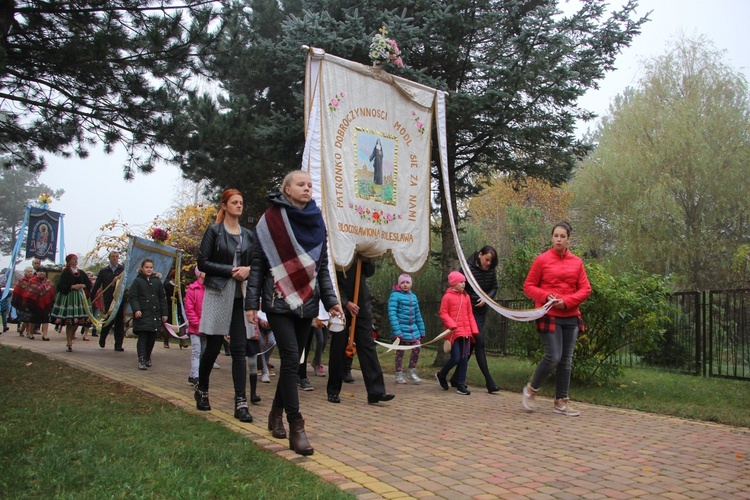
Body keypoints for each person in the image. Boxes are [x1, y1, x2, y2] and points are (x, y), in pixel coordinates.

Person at [246, 170, 344, 456]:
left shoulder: (317, 221)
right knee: (290, 358)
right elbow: (258, 266)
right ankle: (296, 427)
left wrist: (331, 299)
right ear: (287, 189)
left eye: (310, 185)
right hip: (277, 301)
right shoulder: (270, 220)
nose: (306, 188)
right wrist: (251, 303)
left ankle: (275, 414)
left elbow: (322, 267)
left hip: (308, 303)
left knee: (291, 363)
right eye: (300, 184)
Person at [194, 188, 256, 424]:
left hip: (240, 296)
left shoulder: (248, 235)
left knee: (240, 349)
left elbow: (256, 262)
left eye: (241, 202)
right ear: (224, 206)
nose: (239, 206)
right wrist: (230, 271)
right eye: (234, 202)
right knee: (213, 346)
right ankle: (202, 389)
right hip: (219, 291)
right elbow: (203, 262)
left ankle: (241, 402)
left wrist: (248, 270)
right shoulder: (214, 231)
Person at [522, 221, 591, 416]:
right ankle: (531, 390)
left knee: (566, 360)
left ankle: (561, 401)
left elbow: (586, 289)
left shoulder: (577, 262)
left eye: (562, 236)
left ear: (569, 239)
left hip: (570, 315)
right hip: (548, 314)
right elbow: (528, 286)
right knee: (553, 356)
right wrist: (545, 297)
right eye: (556, 236)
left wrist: (567, 302)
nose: (559, 239)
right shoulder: (541, 260)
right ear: (552, 238)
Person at [328, 254, 395, 405]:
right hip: (341, 306)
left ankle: (376, 392)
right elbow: (332, 280)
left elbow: (369, 272)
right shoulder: (339, 250)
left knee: (368, 346)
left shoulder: (363, 250)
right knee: (338, 348)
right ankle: (333, 390)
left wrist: (366, 260)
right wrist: (345, 302)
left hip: (361, 305)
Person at [449, 246, 501, 393]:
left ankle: (452, 377)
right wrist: (474, 298)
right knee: (479, 341)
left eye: (491, 261)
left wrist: (487, 298)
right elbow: (459, 287)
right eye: (487, 260)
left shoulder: (491, 270)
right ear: (480, 255)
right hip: (467, 311)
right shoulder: (466, 267)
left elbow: (494, 287)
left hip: (481, 312)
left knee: (470, 346)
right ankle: (489, 382)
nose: (488, 263)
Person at [435, 271, 479, 396]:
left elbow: (470, 314)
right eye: (461, 282)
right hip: (453, 333)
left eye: (464, 282)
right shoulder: (447, 297)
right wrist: (451, 324)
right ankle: (441, 374)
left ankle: (460, 384)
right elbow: (443, 313)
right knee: (456, 358)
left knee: (464, 358)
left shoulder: (466, 297)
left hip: (466, 332)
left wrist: (474, 330)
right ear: (454, 283)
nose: (463, 284)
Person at [129, 259, 168, 370]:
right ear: (142, 268)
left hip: (154, 314)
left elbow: (162, 298)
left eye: (151, 267)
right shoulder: (137, 281)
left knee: (152, 337)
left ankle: (147, 356)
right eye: (147, 267)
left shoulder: (157, 282)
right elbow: (133, 297)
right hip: (142, 314)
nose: (149, 269)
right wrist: (136, 309)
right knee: (143, 337)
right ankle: (141, 358)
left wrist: (164, 313)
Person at [388, 273, 426, 384]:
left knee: (417, 348)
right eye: (403, 283)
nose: (405, 285)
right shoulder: (394, 296)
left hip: (412, 329)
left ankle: (411, 371)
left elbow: (417, 314)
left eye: (407, 282)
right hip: (400, 328)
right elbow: (392, 313)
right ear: (399, 284)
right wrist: (397, 331)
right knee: (400, 352)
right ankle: (399, 374)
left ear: (411, 284)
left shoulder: (413, 297)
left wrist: (421, 330)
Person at [50, 254, 92, 352]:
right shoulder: (65, 272)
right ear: (69, 261)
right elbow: (60, 286)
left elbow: (88, 284)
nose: (75, 260)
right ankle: (69, 342)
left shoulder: (81, 272)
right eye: (73, 259)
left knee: (76, 321)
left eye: (76, 259)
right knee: (70, 321)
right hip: (69, 298)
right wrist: (72, 287)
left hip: (79, 299)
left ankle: (71, 337)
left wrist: (83, 285)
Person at [91, 251, 126, 351]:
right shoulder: (104, 271)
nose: (115, 258)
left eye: (116, 256)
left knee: (119, 321)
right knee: (108, 319)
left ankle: (118, 344)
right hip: (108, 299)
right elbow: (97, 284)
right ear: (109, 258)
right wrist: (92, 297)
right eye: (113, 256)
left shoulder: (123, 269)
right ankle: (103, 337)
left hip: (119, 298)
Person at [185, 266, 205, 385]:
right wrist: (197, 323)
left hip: (206, 328)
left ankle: (193, 375)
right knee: (196, 351)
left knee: (204, 352)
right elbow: (190, 309)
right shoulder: (192, 290)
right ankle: (197, 376)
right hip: (195, 328)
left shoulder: (209, 289)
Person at [163, 269, 189, 349]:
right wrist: (170, 298)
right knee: (168, 324)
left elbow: (183, 295)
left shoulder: (181, 286)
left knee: (181, 323)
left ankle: (182, 341)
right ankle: (166, 342)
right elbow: (163, 296)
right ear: (172, 278)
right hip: (170, 307)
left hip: (178, 307)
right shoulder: (167, 286)